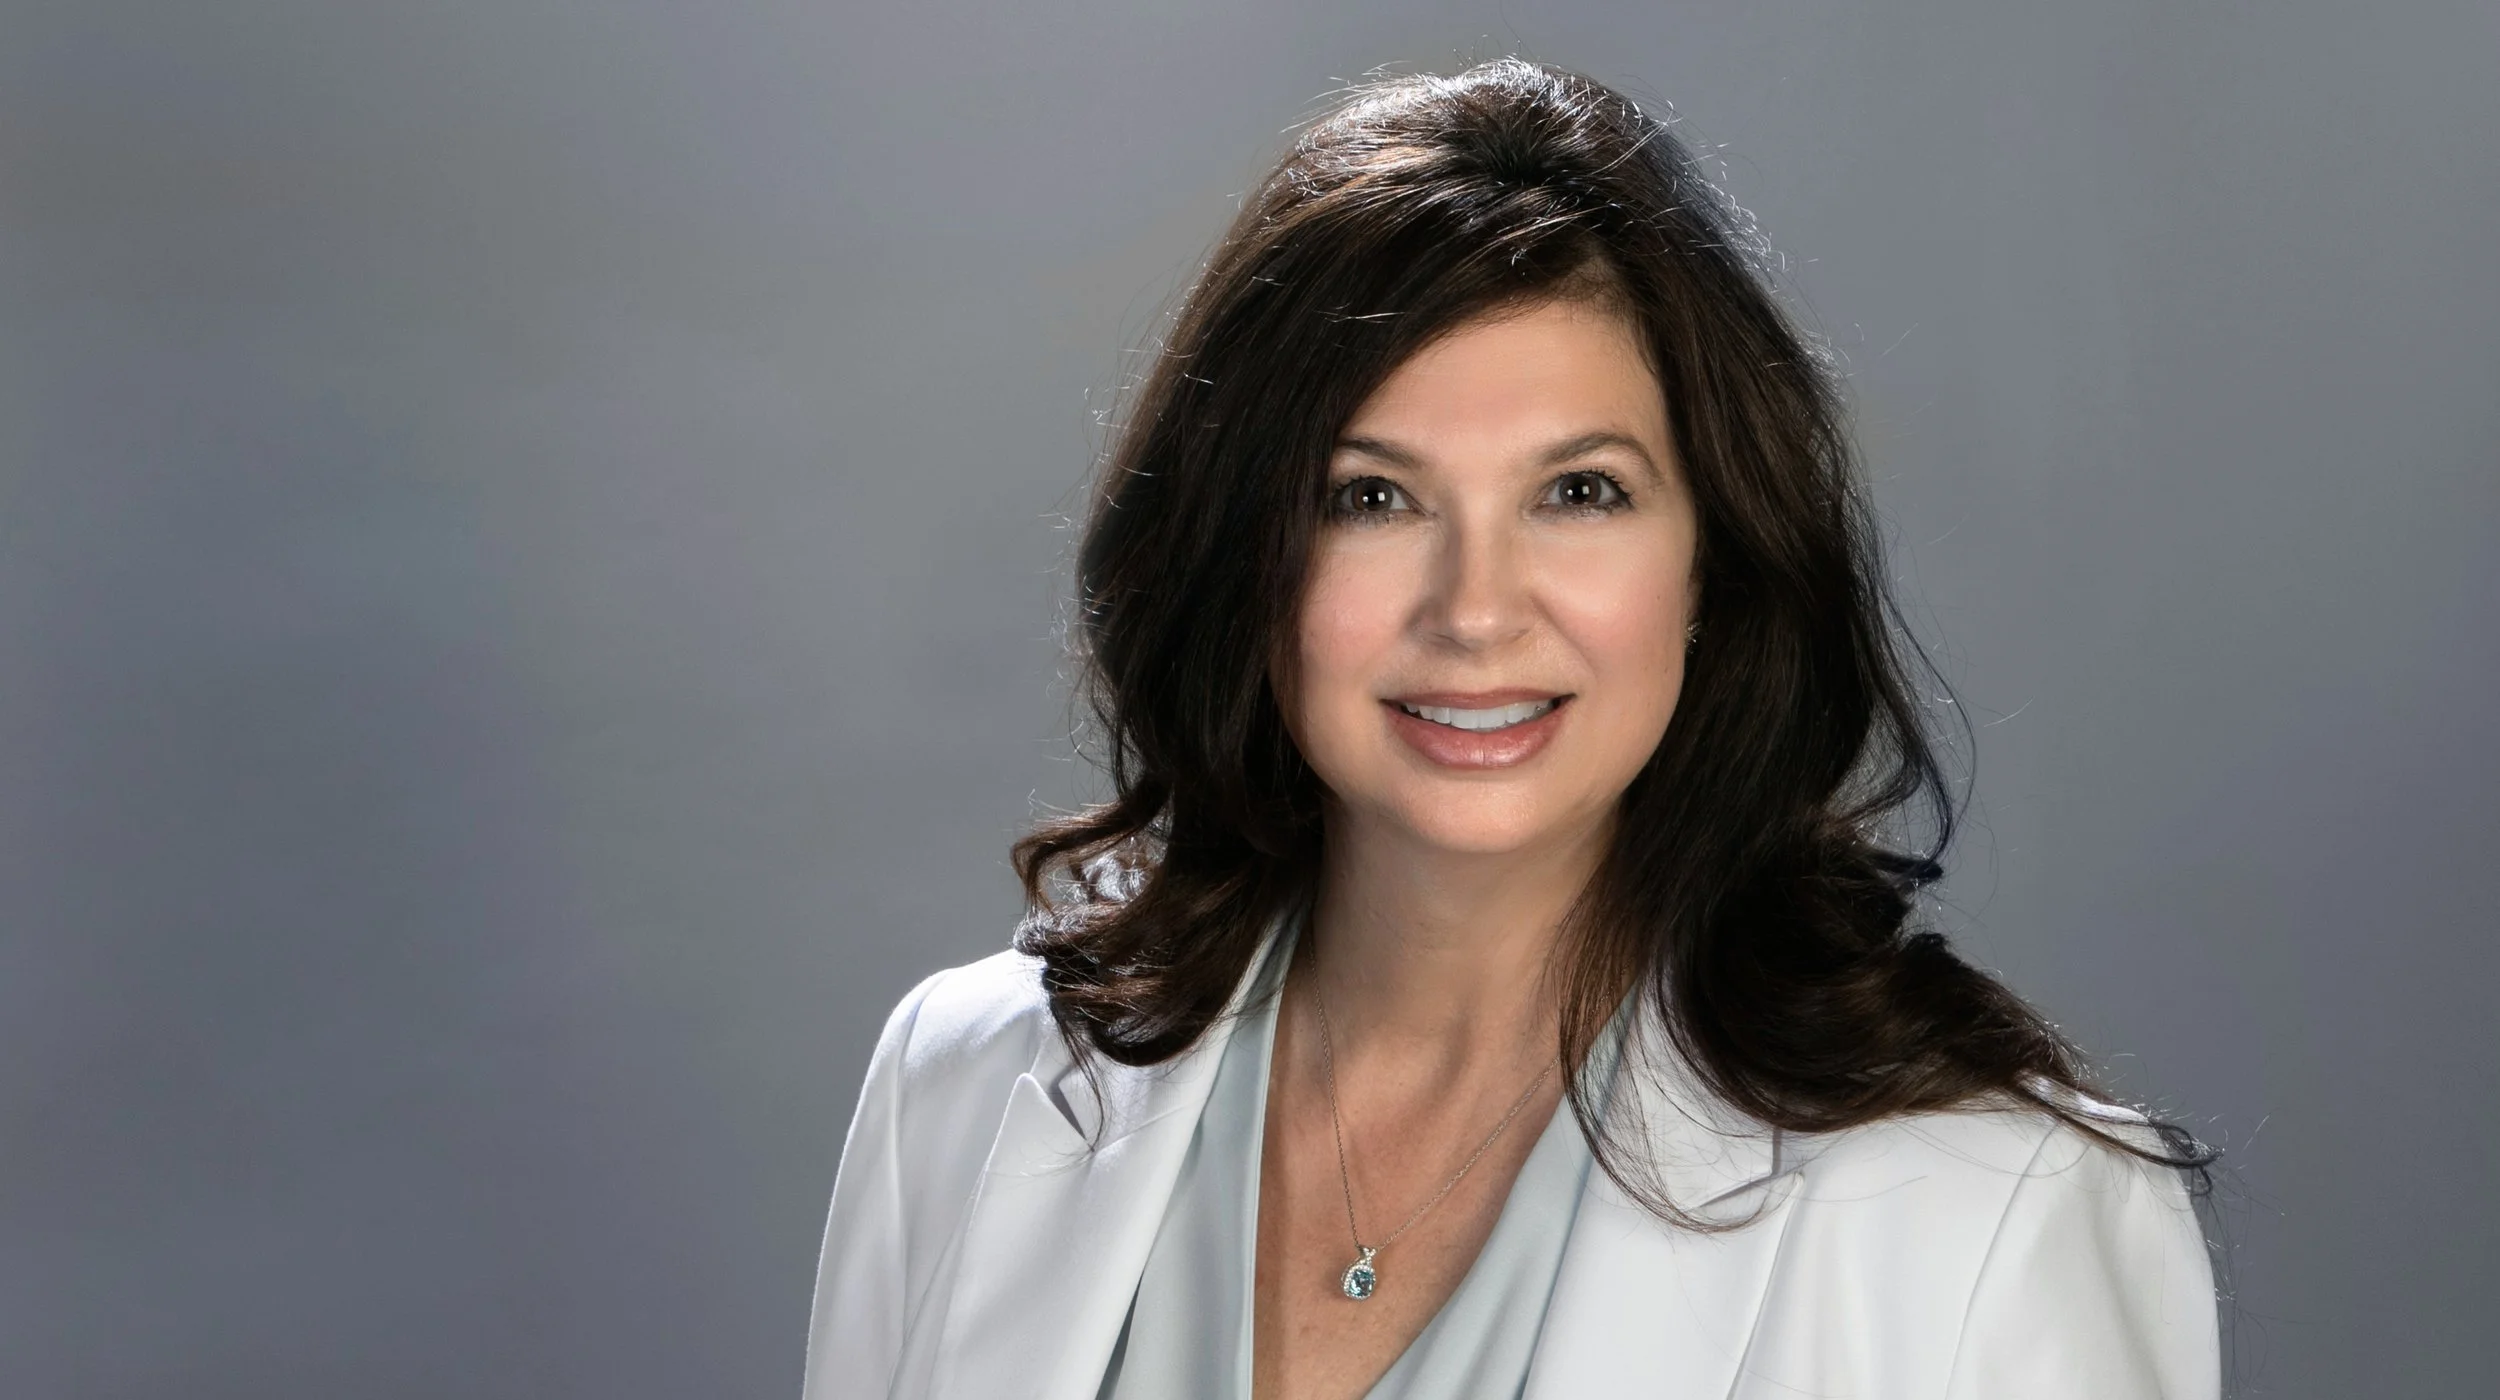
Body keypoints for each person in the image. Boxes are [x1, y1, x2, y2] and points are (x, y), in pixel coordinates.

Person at [801, 58, 2220, 1400]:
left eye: (1580, 493)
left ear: (1709, 565)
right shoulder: (960, 1089)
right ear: (1247, 561)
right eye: (1372, 497)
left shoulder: (2000, 1213)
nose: (1476, 611)